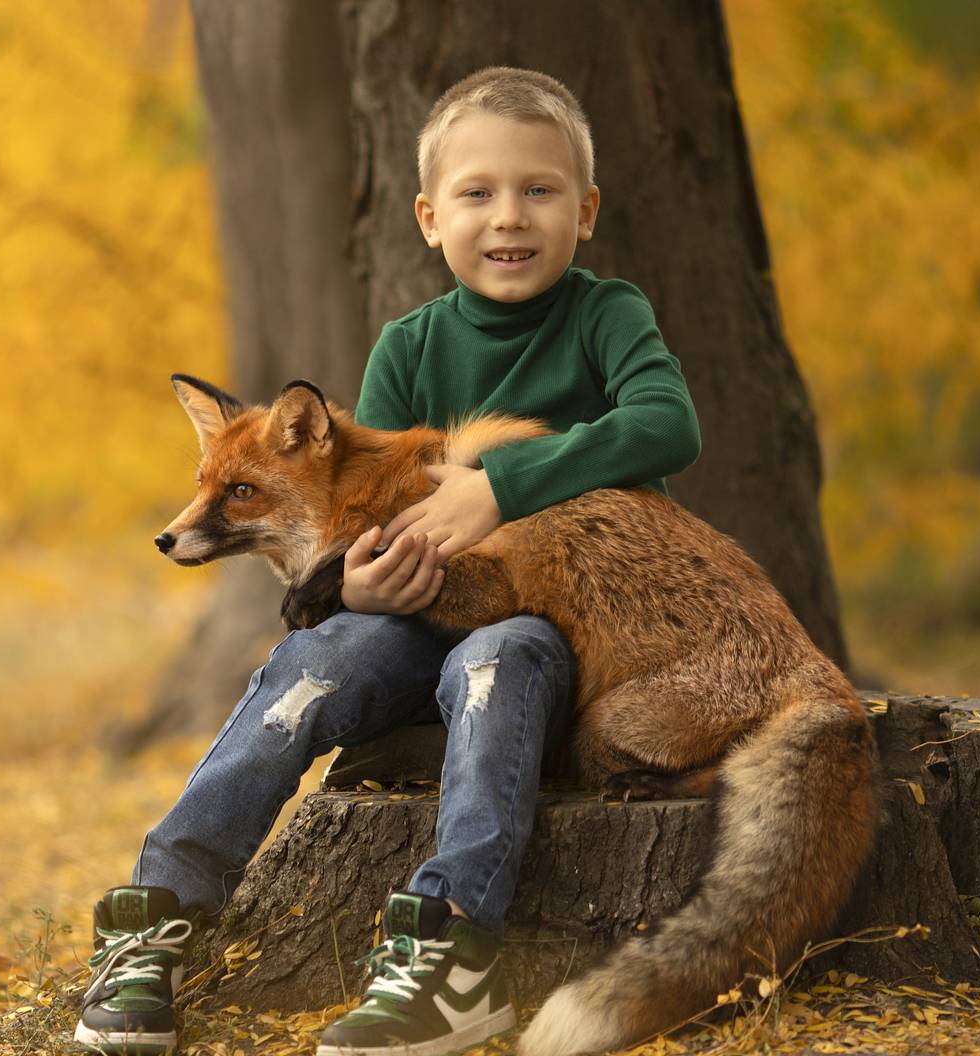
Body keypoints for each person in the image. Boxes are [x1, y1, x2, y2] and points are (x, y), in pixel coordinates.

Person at [74, 66, 701, 1056]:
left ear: (584, 211)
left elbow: (666, 425)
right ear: (425, 216)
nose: (509, 217)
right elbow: (355, 509)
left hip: (560, 630)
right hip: (414, 620)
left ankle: (450, 954)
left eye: (539, 191)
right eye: (477, 193)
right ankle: (158, 915)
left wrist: (502, 486)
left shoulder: (605, 314)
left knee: (505, 654)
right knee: (312, 664)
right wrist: (356, 586)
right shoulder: (409, 345)